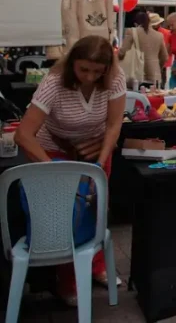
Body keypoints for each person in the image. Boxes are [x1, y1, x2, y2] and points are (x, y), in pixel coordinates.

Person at [14, 36, 126, 301]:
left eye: (97, 72)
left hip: (95, 147)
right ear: (72, 62)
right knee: (66, 216)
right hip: (54, 147)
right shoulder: (54, 82)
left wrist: (100, 163)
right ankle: (67, 280)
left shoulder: (115, 78)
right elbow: (23, 135)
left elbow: (114, 125)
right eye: (83, 69)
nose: (90, 77)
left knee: (97, 207)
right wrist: (54, 169)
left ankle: (96, 266)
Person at [118, 8, 168, 88]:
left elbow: (123, 52)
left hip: (136, 75)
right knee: (152, 95)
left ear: (135, 23)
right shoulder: (159, 35)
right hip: (154, 75)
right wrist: (157, 66)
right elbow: (165, 57)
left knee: (136, 95)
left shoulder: (131, 31)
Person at [152, 13, 172, 88]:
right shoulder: (147, 33)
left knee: (162, 77)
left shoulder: (167, 33)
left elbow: (170, 47)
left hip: (162, 59)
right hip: (152, 59)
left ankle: (161, 88)